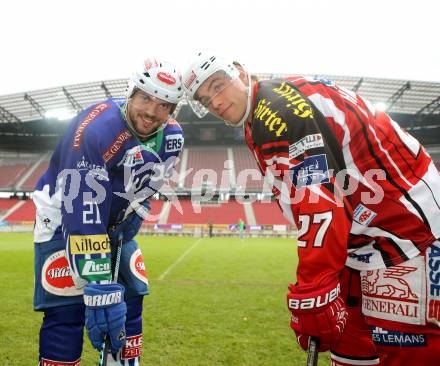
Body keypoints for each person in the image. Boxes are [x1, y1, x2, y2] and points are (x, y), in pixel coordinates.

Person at [182, 52, 440, 366]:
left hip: (405, 229)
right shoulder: (265, 108)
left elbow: (319, 200)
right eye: (205, 99)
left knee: (408, 353)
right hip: (357, 238)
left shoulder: (276, 112)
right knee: (350, 352)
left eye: (218, 85)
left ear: (241, 73)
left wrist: (312, 290)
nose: (215, 102)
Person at [33, 58, 184, 365]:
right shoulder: (96, 129)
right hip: (64, 215)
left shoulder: (173, 138)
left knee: (130, 300)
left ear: (173, 110)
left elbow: (148, 188)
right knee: (68, 312)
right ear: (131, 93)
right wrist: (98, 282)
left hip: (117, 220)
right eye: (146, 98)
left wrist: (136, 215)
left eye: (164, 105)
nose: (152, 112)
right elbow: (82, 209)